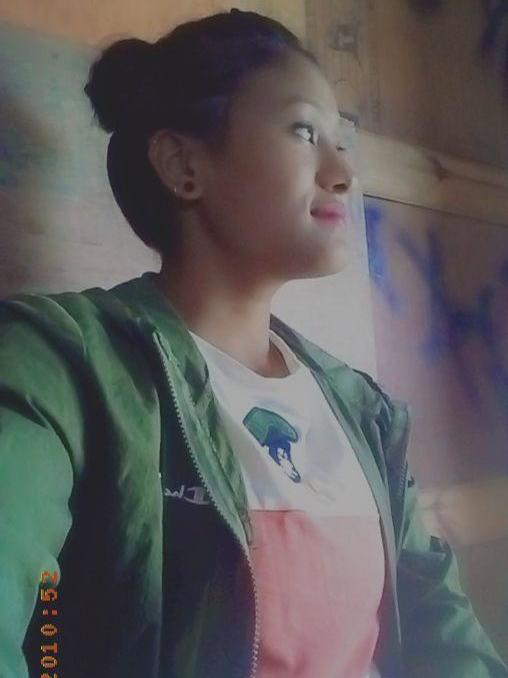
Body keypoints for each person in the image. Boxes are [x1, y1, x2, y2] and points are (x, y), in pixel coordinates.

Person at [0, 8, 506, 678]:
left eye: (341, 140)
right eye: (304, 131)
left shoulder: (362, 409)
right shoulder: (61, 366)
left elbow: (443, 630)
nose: (344, 173)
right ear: (183, 164)